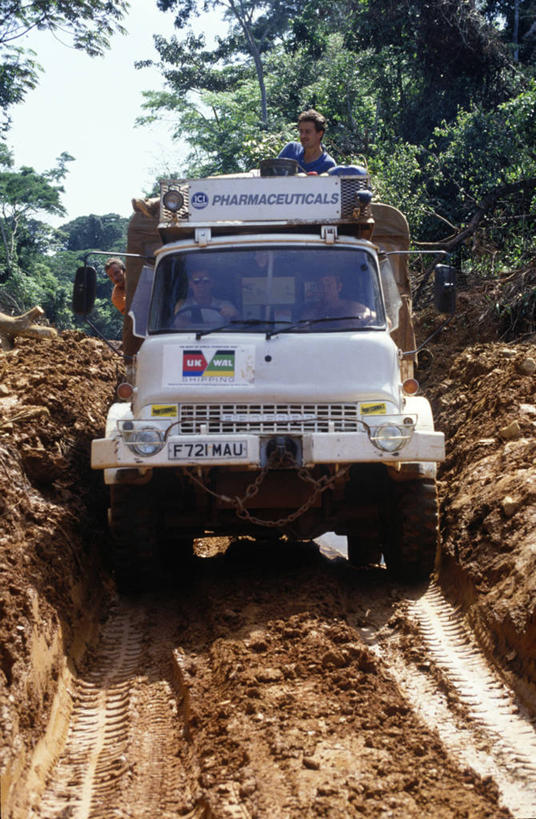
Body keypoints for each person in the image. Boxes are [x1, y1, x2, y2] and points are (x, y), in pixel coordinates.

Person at [278, 109, 336, 175]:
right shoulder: (291, 150)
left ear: (320, 133)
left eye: (307, 132)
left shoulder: (328, 164)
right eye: (301, 131)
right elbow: (272, 173)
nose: (303, 136)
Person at [174, 268, 239, 325]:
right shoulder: (183, 306)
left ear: (212, 283)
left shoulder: (225, 305)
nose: (201, 285)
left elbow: (238, 324)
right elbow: (177, 325)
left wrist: (234, 315)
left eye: (206, 280)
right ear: (190, 284)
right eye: (196, 281)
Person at [303, 275, 374, 324]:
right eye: (321, 286)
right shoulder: (313, 310)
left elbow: (371, 314)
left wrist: (367, 316)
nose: (325, 289)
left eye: (329, 285)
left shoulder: (351, 307)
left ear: (339, 287)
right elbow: (303, 325)